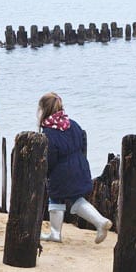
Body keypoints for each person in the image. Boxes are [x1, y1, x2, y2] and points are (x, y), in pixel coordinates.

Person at [37, 92, 112, 244]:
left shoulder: (48, 132)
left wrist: (45, 172)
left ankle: (55, 233)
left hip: (61, 172)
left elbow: (51, 158)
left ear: (43, 110)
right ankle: (99, 221)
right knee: (76, 198)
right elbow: (83, 143)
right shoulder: (73, 124)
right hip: (80, 166)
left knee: (55, 198)